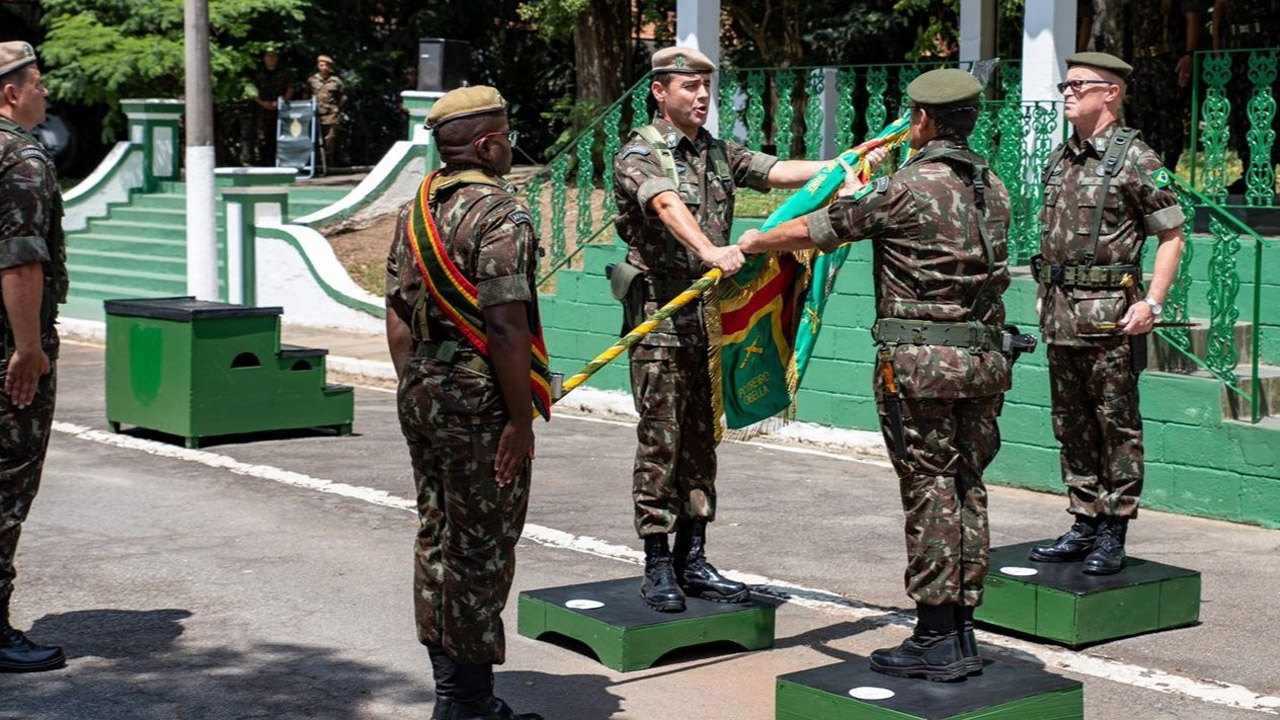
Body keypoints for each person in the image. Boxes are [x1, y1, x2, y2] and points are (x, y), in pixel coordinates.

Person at [738, 68, 1014, 682]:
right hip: (984, 363)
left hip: (921, 367)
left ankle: (936, 633)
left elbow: (817, 230)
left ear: (921, 121)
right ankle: (963, 629)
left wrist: (756, 241)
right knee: (967, 484)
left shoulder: (904, 187)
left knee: (930, 488)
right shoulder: (992, 186)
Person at [612, 46, 834, 614]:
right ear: (660, 91)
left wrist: (846, 165)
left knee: (701, 439)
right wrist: (710, 249)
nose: (702, 96)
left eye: (707, 87)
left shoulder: (715, 150)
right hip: (661, 313)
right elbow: (664, 204)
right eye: (690, 86)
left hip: (709, 316)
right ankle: (657, 560)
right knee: (661, 439)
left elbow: (776, 170)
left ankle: (694, 555)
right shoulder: (641, 151)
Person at [385, 85, 546, 720]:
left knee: (437, 536)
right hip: (480, 401)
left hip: (422, 388)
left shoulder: (415, 208)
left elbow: (398, 314)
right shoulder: (500, 214)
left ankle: (453, 694)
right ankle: (470, 708)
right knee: (479, 547)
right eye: (505, 134)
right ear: (489, 144)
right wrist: (520, 419)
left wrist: (419, 382)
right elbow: (505, 327)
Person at [1028, 53, 1186, 575]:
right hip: (1060, 315)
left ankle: (1113, 530)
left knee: (1115, 425)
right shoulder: (1061, 157)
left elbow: (1171, 235)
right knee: (1070, 424)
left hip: (1109, 318)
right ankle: (1083, 521)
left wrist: (1153, 303)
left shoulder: (1136, 159)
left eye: (1078, 85)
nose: (1066, 92)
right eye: (1064, 84)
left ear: (1110, 93)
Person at [0, 40, 68, 674]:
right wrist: (27, 349)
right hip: (7, 345)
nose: (46, 93)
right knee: (6, 483)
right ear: (10, 93)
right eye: (38, 83)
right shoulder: (21, 157)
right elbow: (21, 258)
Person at [1125, 0, 1200, 173]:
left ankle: (1168, 174)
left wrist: (1189, 54)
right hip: (1141, 64)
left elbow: (1192, 17)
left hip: (1165, 61)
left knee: (1169, 120)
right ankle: (1149, 172)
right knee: (1145, 121)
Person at [251, 46, 293, 166]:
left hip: (281, 109)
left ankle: (278, 163)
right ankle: (262, 163)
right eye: (269, 56)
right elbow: (252, 91)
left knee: (279, 136)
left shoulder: (284, 72)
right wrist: (263, 103)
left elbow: (290, 88)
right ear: (264, 58)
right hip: (262, 110)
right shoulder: (257, 73)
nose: (271, 58)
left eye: (274, 56)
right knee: (262, 137)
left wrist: (282, 102)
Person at [306, 54, 345, 173]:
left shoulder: (336, 81)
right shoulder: (311, 80)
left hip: (330, 115)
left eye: (326, 65)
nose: (324, 67)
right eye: (321, 65)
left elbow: (342, 97)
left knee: (329, 140)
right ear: (318, 66)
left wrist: (337, 108)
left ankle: (327, 164)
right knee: (312, 140)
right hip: (314, 114)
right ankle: (314, 164)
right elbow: (306, 95)